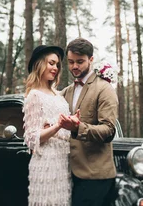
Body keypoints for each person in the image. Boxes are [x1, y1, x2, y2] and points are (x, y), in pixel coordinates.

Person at [59, 38, 119, 206]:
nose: (74, 66)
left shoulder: (104, 89)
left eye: (80, 62)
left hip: (96, 177)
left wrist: (79, 128)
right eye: (71, 62)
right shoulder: (67, 92)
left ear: (91, 60)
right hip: (72, 174)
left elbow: (108, 131)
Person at [23, 45, 72, 206]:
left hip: (64, 159)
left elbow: (64, 124)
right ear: (40, 64)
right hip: (46, 161)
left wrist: (73, 121)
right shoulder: (34, 95)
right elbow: (31, 138)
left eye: (57, 64)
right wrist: (57, 126)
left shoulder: (58, 95)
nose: (55, 68)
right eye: (51, 63)